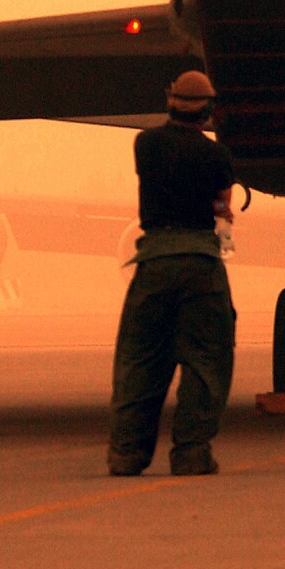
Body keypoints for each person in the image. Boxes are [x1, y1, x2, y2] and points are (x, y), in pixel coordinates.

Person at [107, 70, 237, 476]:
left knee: (140, 359)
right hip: (201, 264)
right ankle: (191, 452)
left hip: (155, 264)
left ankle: (128, 454)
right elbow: (222, 207)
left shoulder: (145, 144)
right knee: (206, 361)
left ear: (170, 102)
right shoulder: (219, 156)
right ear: (210, 110)